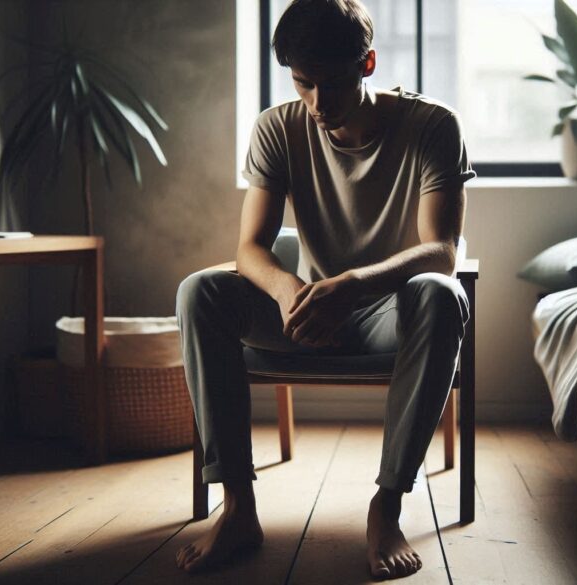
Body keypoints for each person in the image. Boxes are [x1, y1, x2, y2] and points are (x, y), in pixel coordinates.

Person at [173, 0, 475, 577]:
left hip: (390, 311)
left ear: (368, 65)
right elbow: (250, 249)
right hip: (306, 309)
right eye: (302, 83)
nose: (316, 102)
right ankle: (237, 506)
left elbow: (441, 251)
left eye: (331, 84)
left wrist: (355, 285)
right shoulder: (278, 127)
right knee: (200, 291)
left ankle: (387, 508)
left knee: (443, 293)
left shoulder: (435, 126)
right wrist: (289, 291)